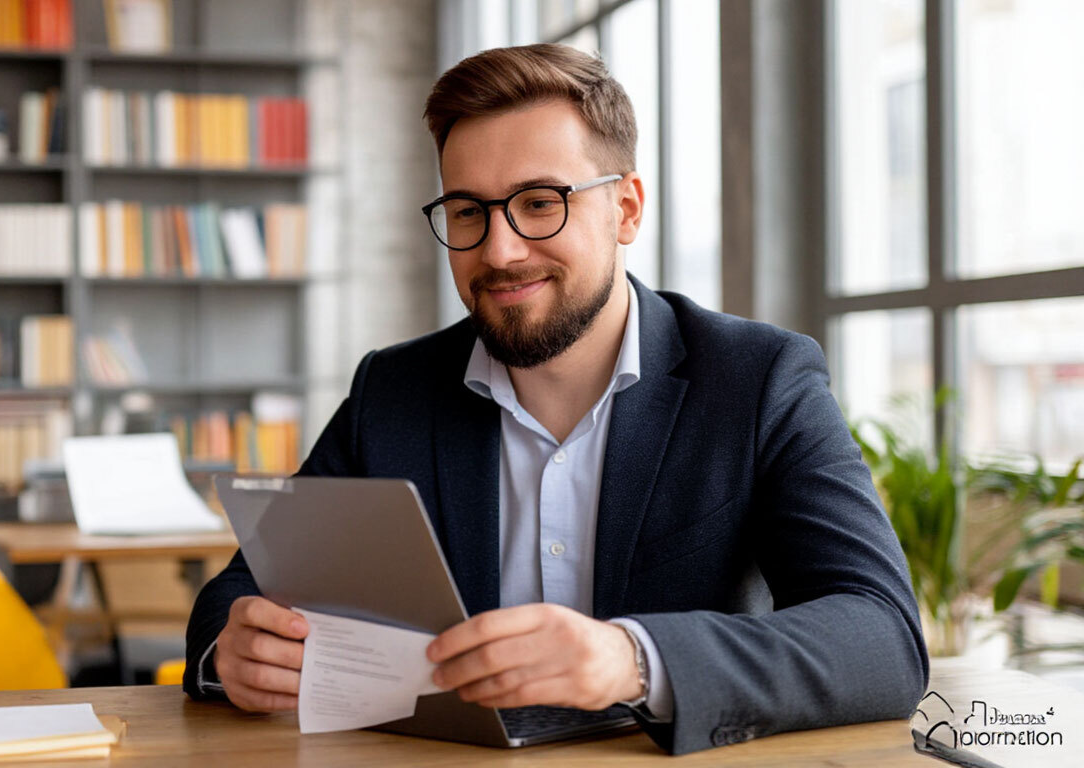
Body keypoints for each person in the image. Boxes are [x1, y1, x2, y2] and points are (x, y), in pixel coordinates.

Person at [184, 43, 928, 755]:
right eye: (469, 212)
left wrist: (632, 659)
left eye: (541, 203)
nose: (500, 250)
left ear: (627, 209)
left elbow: (882, 637)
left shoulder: (760, 380)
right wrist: (235, 652)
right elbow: (245, 591)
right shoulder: (394, 391)